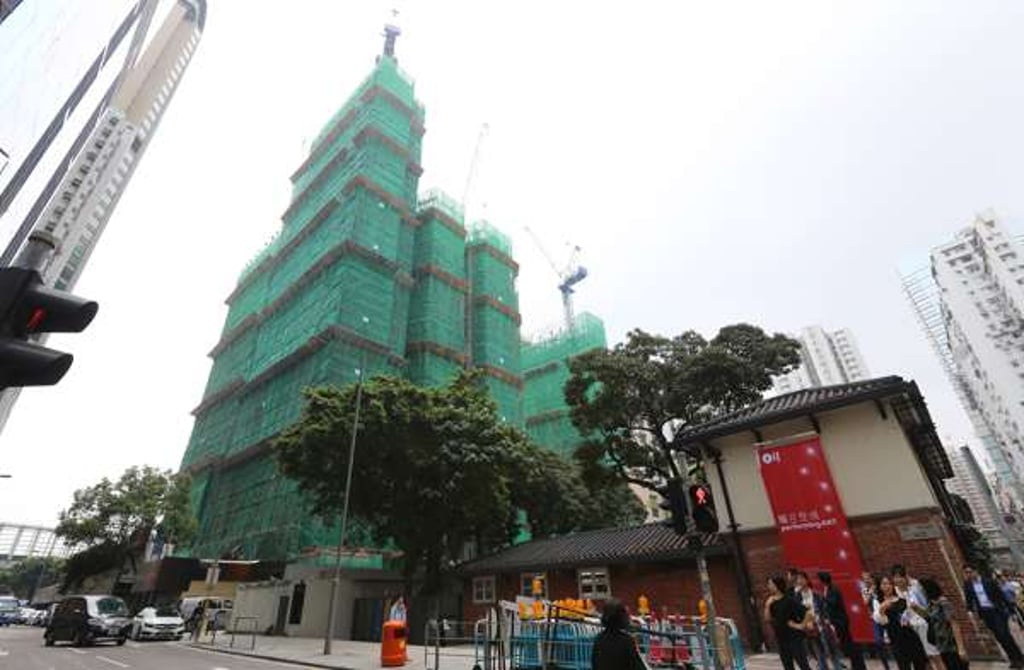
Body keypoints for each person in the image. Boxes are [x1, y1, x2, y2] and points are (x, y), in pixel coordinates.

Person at [963, 564, 1024, 669]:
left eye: (969, 572)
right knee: (1000, 637)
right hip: (986, 614)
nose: (968, 574)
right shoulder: (968, 585)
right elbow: (969, 599)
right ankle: (1014, 659)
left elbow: (1001, 596)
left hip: (997, 612)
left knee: (1004, 635)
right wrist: (969, 610)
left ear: (975, 571)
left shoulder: (989, 582)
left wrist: (1011, 611)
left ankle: (1019, 659)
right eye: (966, 573)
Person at [893, 565, 942, 670]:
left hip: (923, 626)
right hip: (910, 630)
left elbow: (926, 606)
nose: (897, 580)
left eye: (900, 577)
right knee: (923, 658)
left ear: (905, 577)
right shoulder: (896, 593)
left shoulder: (915, 589)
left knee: (934, 655)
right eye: (895, 577)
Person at [875, 574, 927, 670]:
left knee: (920, 663)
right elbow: (883, 623)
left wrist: (915, 611)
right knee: (904, 665)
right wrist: (882, 610)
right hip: (896, 639)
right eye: (884, 584)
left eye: (890, 583)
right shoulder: (878, 602)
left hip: (909, 634)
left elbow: (912, 617)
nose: (888, 586)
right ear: (880, 587)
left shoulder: (902, 599)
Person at [918, 578, 968, 670]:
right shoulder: (931, 604)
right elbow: (928, 616)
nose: (921, 592)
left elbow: (954, 624)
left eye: (921, 589)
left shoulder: (943, 603)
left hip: (952, 646)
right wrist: (914, 608)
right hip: (942, 646)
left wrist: (961, 648)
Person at [820, 571, 867, 670]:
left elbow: (833, 602)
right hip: (836, 622)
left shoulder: (833, 589)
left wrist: (824, 598)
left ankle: (859, 665)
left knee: (848, 644)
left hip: (841, 622)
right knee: (846, 644)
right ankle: (856, 664)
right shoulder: (828, 589)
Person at [765, 575, 813, 670]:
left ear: (777, 585)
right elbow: (767, 619)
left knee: (803, 665)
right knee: (788, 667)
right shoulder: (771, 601)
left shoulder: (789, 600)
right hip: (781, 640)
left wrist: (801, 625)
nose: (768, 586)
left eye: (770, 584)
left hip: (794, 638)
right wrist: (767, 605)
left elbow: (808, 612)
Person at [795, 571, 837, 670]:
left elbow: (824, 609)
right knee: (818, 653)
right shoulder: (797, 598)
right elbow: (797, 613)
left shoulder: (816, 594)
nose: (800, 581)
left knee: (830, 651)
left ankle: (837, 667)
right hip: (809, 628)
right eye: (798, 579)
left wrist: (827, 621)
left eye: (801, 578)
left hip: (821, 626)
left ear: (807, 580)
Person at [591, 599, 645, 670]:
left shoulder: (598, 639)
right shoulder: (627, 641)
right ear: (622, 618)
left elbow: (595, 664)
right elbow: (637, 667)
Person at [863, 572, 893, 670]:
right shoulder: (865, 590)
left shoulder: (880, 587)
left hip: (885, 616)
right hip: (875, 619)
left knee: (892, 638)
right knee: (878, 642)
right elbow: (865, 602)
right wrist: (870, 593)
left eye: (867, 578)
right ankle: (886, 666)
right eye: (864, 579)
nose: (866, 581)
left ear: (872, 579)